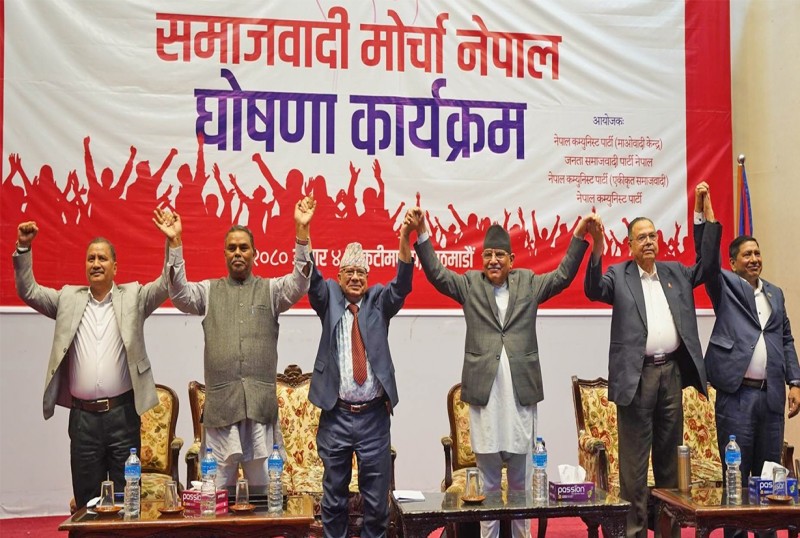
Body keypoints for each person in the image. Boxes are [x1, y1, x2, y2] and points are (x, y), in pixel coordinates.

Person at [411, 207, 601, 538]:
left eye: (500, 254)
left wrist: (579, 236)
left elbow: (562, 276)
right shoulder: (470, 285)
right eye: (488, 254)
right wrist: (423, 232)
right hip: (485, 399)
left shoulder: (528, 283)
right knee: (487, 484)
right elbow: (438, 275)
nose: (493, 260)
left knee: (520, 483)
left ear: (511, 260)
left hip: (520, 399)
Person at [583, 182, 721, 538]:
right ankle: (634, 533)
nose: (648, 241)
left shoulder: (675, 273)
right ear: (629, 245)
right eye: (641, 237)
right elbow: (593, 290)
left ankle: (667, 532)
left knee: (669, 464)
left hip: (670, 374)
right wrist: (597, 249)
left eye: (652, 236)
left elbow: (708, 266)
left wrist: (703, 215)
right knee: (633, 468)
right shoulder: (619, 275)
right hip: (637, 378)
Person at [153, 196, 315, 487]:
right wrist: (175, 243)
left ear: (254, 253)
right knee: (216, 495)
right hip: (221, 411)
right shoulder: (209, 291)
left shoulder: (271, 291)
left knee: (264, 492)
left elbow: (300, 283)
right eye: (232, 248)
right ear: (225, 254)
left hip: (259, 410)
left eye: (243, 247)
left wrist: (302, 232)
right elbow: (179, 295)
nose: (238, 253)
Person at [13, 219, 169, 509]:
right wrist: (23, 247)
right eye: (91, 258)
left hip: (123, 415)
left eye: (102, 258)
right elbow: (29, 291)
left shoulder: (133, 297)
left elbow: (165, 284)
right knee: (88, 502)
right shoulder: (67, 299)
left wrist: (173, 242)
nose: (96, 263)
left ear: (115, 267)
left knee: (127, 501)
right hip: (83, 420)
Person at [307, 210, 416, 538]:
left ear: (367, 277)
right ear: (340, 277)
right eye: (349, 272)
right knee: (333, 500)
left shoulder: (378, 301)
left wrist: (404, 238)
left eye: (361, 272)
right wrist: (303, 231)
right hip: (337, 415)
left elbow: (402, 285)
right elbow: (312, 278)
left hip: (373, 419)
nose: (355, 278)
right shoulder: (329, 298)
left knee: (377, 504)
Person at [701, 188, 800, 536]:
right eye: (747, 254)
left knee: (768, 476)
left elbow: (785, 338)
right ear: (733, 263)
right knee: (737, 478)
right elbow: (707, 262)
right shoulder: (724, 286)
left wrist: (795, 382)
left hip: (771, 397)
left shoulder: (775, 293)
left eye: (757, 253)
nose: (755, 259)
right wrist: (707, 217)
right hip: (736, 396)